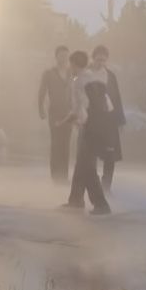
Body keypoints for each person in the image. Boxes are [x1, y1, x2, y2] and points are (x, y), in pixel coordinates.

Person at [60, 51, 111, 215]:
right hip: (99, 125)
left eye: (71, 64)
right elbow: (107, 103)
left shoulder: (79, 81)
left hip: (88, 127)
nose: (69, 67)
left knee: (87, 166)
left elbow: (81, 107)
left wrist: (68, 121)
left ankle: (101, 204)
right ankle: (75, 199)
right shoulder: (94, 77)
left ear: (74, 64)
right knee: (82, 164)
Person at [89, 45, 125, 194]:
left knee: (109, 155)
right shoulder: (86, 75)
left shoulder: (111, 76)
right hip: (91, 120)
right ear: (93, 58)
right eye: (98, 59)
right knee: (90, 154)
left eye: (103, 60)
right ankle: (93, 184)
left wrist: (120, 120)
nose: (101, 62)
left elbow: (116, 98)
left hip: (109, 120)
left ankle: (106, 186)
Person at [38, 46, 73, 183]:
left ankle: (64, 175)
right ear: (56, 56)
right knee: (56, 143)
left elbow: (78, 86)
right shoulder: (49, 73)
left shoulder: (72, 73)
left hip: (69, 112)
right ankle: (55, 175)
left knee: (66, 144)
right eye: (61, 55)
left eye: (66, 55)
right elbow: (42, 92)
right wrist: (41, 109)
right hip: (55, 112)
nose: (64, 58)